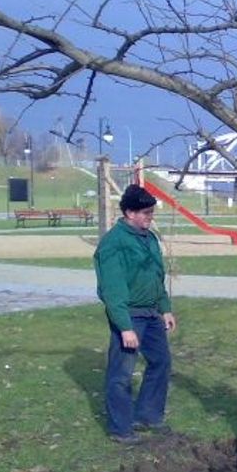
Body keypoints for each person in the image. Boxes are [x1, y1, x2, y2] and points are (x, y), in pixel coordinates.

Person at [93, 184, 176, 444]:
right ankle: (121, 429)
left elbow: (155, 275)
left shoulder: (148, 238)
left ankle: (148, 415)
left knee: (161, 362)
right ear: (129, 212)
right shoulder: (114, 243)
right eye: (146, 213)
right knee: (121, 374)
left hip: (151, 314)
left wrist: (165, 308)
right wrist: (124, 326)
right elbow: (113, 289)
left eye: (152, 213)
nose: (150, 218)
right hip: (129, 316)